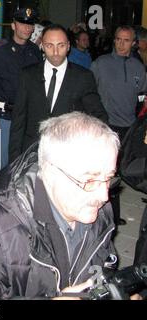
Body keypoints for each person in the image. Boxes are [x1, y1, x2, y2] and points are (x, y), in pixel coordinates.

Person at [0, 112, 120, 300]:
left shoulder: (100, 212)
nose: (104, 195)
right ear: (50, 171)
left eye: (108, 178)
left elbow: (103, 267)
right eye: (89, 180)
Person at [9, 24, 107, 162]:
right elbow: (18, 121)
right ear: (42, 46)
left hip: (68, 155)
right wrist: (14, 161)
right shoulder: (28, 75)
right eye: (49, 45)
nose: (55, 52)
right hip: (32, 153)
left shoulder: (83, 76)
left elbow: (99, 116)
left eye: (60, 45)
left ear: (68, 46)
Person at [91, 25, 146, 226]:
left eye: (126, 40)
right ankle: (106, 214)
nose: (121, 44)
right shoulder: (100, 64)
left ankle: (113, 214)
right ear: (114, 40)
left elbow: (142, 97)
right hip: (106, 125)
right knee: (105, 171)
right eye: (118, 39)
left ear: (134, 43)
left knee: (121, 171)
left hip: (129, 127)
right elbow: (89, 92)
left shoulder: (138, 68)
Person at [0, 7, 42, 171]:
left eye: (30, 25)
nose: (26, 28)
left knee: (26, 163)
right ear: (13, 26)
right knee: (2, 166)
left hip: (27, 116)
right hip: (5, 116)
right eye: (22, 24)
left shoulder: (34, 51)